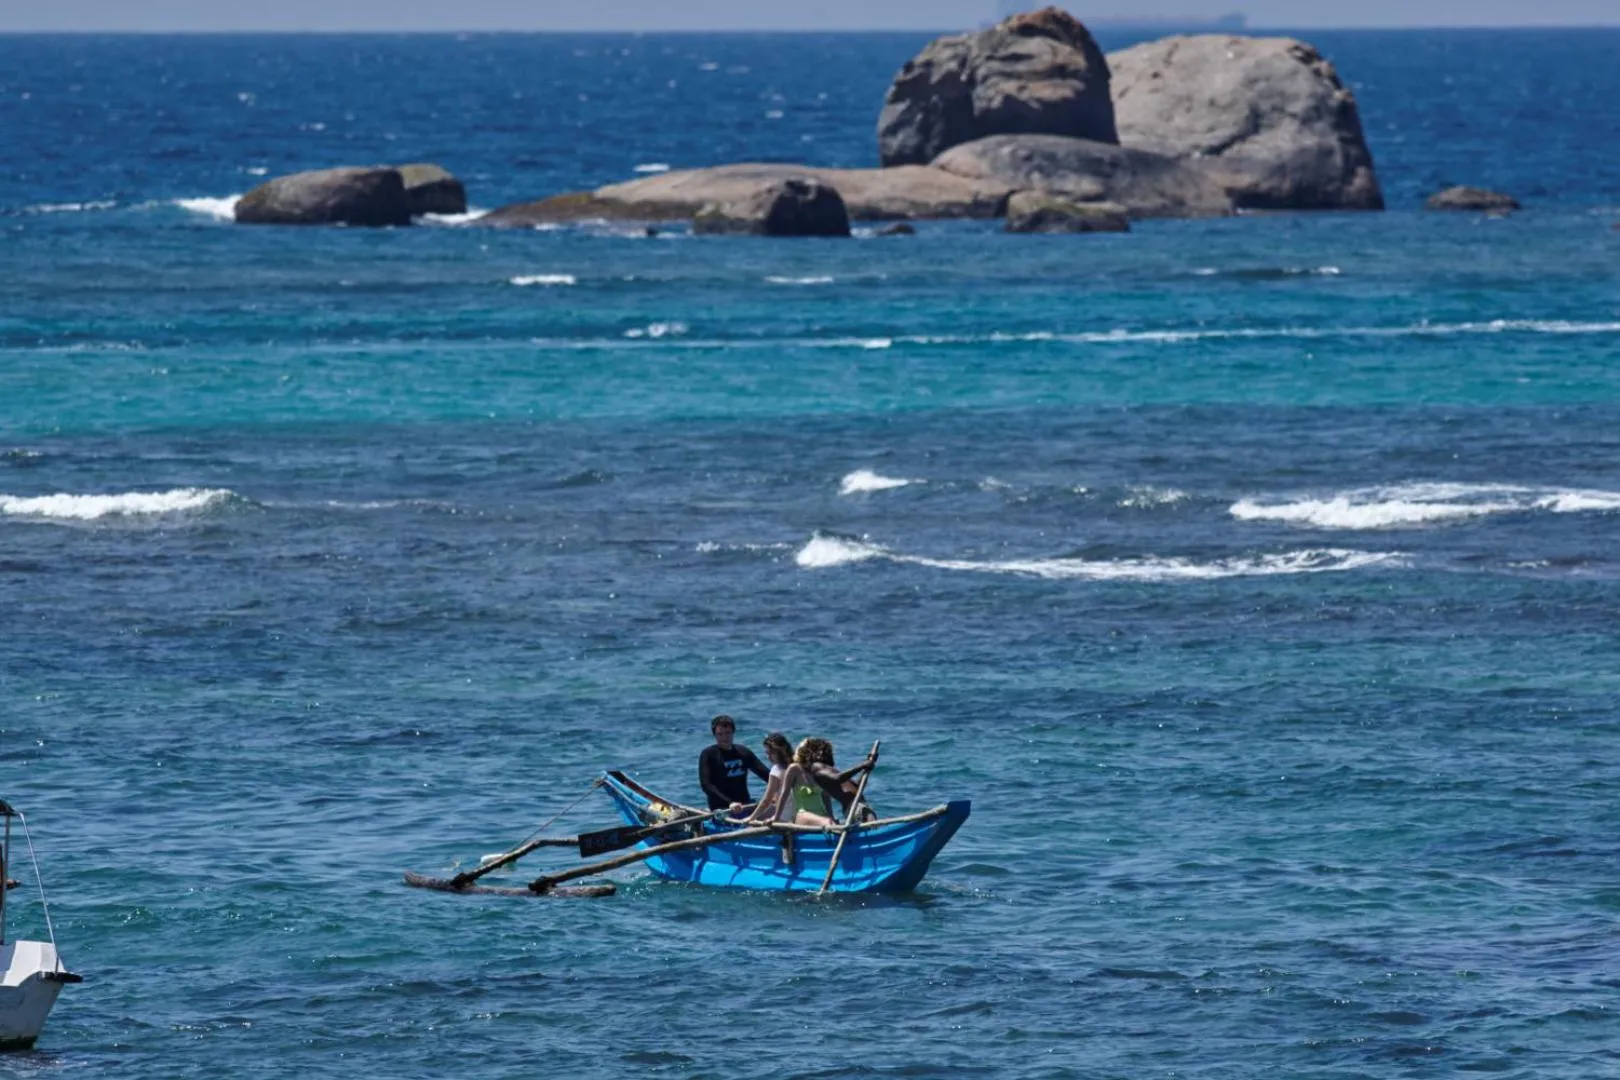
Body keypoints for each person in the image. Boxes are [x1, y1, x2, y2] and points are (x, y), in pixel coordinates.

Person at [774, 737, 877, 827]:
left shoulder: (829, 770)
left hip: (859, 805)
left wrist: (867, 768)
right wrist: (862, 765)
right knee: (873, 828)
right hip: (854, 807)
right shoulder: (816, 767)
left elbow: (858, 787)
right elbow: (837, 778)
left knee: (873, 828)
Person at [697, 714, 768, 814]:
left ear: (733, 732)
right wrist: (730, 803)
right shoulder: (708, 754)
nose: (724, 737)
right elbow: (706, 785)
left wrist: (776, 791)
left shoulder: (743, 752)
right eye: (720, 734)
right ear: (714, 735)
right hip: (722, 808)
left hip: (745, 805)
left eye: (727, 733)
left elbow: (766, 774)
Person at [743, 732, 796, 823]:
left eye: (771, 753)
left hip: (783, 819)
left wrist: (751, 818)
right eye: (767, 753)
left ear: (780, 751)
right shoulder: (798, 766)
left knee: (749, 824)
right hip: (798, 817)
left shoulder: (776, 770)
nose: (768, 757)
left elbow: (766, 800)